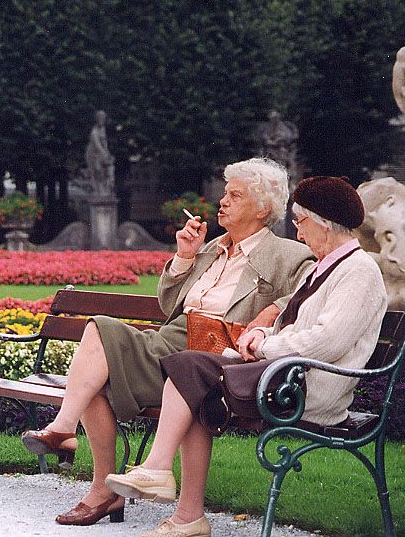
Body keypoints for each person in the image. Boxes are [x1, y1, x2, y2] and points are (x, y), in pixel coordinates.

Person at [21, 158, 315, 526]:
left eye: (234, 195)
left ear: (263, 209)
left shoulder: (288, 254)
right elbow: (167, 306)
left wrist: (271, 309)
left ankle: (72, 446)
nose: (222, 201)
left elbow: (309, 295)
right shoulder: (210, 250)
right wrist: (184, 257)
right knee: (98, 347)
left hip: (213, 354)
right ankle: (88, 467)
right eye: (225, 193)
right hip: (170, 342)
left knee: (102, 359)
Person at [104, 176, 388, 537]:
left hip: (308, 391)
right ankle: (186, 516)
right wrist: (261, 333)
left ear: (323, 223)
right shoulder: (325, 267)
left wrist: (265, 346)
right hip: (285, 376)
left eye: (300, 223)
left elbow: (328, 341)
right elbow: (295, 328)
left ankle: (161, 472)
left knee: (193, 368)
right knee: (193, 374)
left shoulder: (359, 271)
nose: (298, 234)